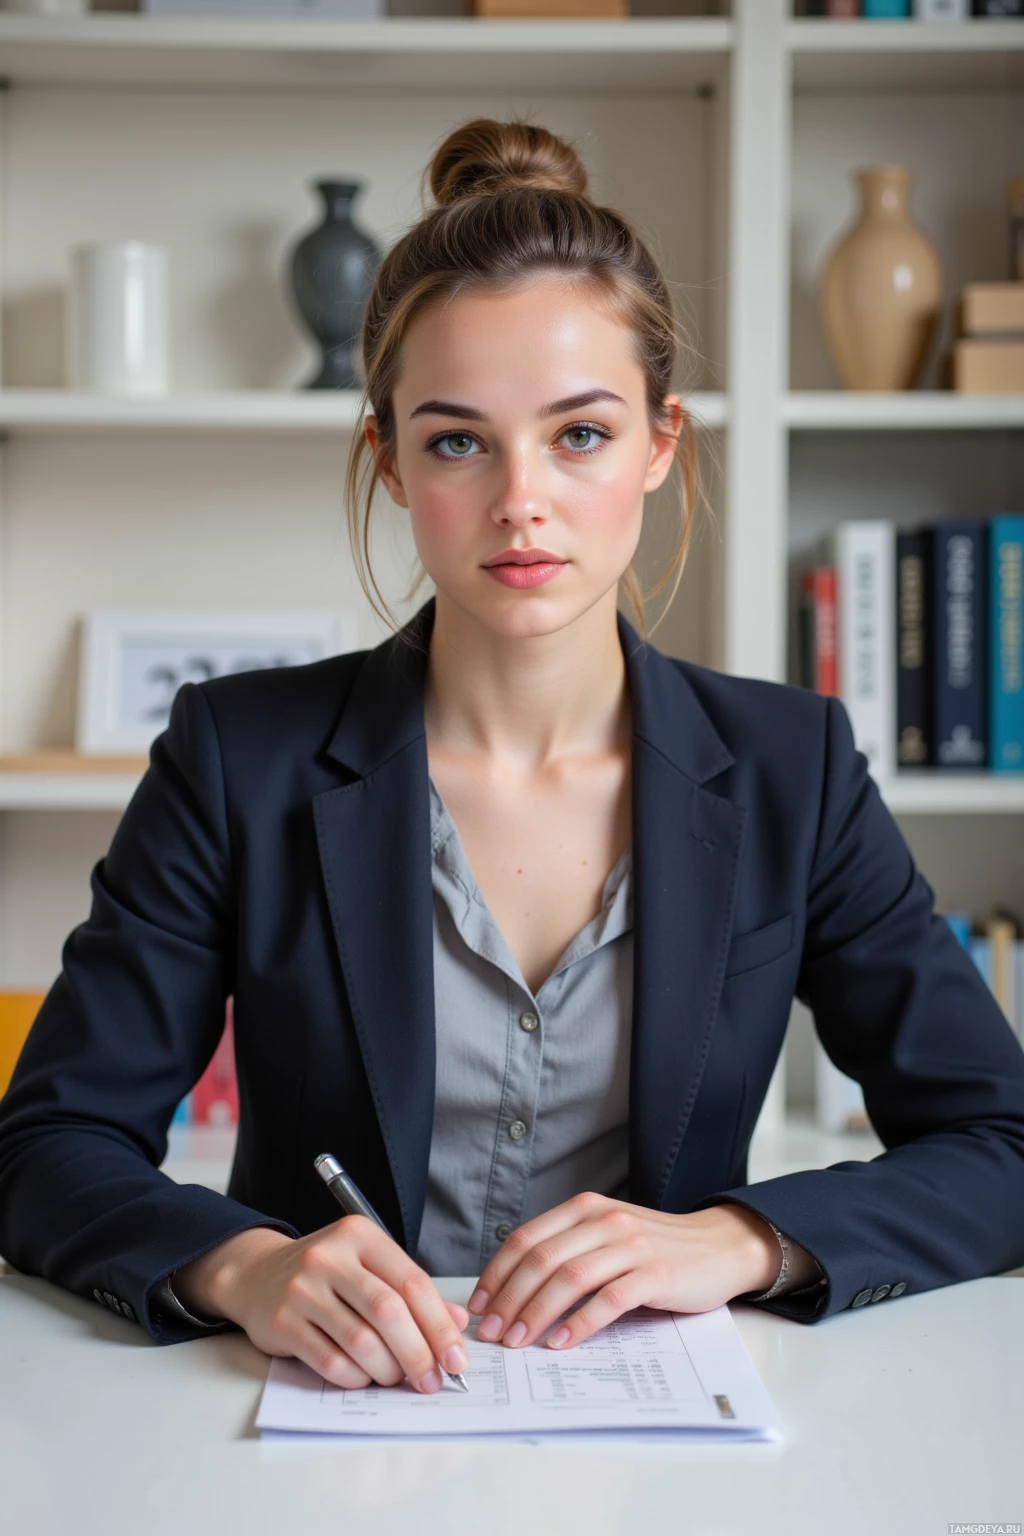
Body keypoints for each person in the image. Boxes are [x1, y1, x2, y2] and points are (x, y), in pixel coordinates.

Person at [2, 119, 1023, 1401]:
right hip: (309, 1434)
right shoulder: (234, 757)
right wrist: (244, 1267)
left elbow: (1002, 1138)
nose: (519, 500)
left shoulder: (788, 766)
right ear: (387, 461)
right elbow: (47, 1143)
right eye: (457, 440)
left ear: (662, 443)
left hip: (680, 1439)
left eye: (580, 434)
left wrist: (739, 1241)